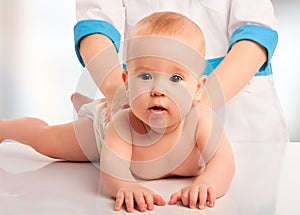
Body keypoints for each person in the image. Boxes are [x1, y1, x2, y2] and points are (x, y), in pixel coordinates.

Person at [0, 12, 235, 212]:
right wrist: (125, 185)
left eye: (176, 78)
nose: (158, 90)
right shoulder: (124, 123)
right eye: (144, 76)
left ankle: (83, 104)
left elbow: (223, 160)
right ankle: (7, 127)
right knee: (48, 141)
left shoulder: (202, 119)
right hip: (103, 129)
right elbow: (113, 167)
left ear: (198, 89)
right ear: (126, 81)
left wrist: (208, 183)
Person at [74, 0, 289, 142]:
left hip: (243, 129)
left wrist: (195, 108)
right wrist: (118, 93)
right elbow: (95, 25)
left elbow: (255, 34)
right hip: (146, 119)